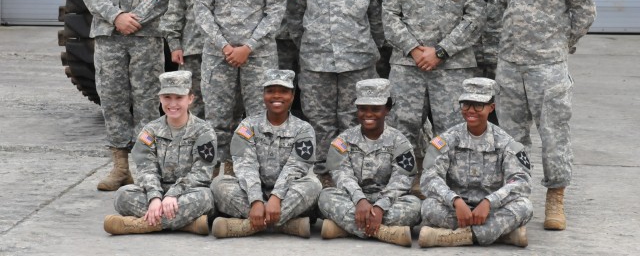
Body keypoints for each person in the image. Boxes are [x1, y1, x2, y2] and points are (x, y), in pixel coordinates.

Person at [494, 0, 596, 230]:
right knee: (511, 137)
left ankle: (555, 198)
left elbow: (584, 10)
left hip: (547, 67)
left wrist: (561, 44)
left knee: (553, 136)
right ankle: (518, 197)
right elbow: (500, 2)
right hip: (509, 65)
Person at [78, 0, 176, 191]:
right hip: (109, 33)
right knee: (113, 98)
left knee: (147, 101)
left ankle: (147, 170)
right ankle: (120, 168)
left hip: (145, 35)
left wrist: (138, 17)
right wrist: (115, 15)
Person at [382, 0, 488, 165]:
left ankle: (448, 188)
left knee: (452, 131)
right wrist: (416, 50)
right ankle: (403, 189)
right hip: (408, 65)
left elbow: (476, 17)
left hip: (452, 67)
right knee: (401, 131)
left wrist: (441, 51)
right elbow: (389, 15)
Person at [287, 0, 386, 185]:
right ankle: (323, 174)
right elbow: (294, 15)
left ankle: (355, 172)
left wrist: (369, 46)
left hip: (358, 62)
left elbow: (377, 18)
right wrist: (308, 43)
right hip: (316, 62)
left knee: (354, 118)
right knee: (319, 119)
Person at [192, 0, 287, 167]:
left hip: (258, 57)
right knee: (217, 118)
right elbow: (201, 10)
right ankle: (217, 174)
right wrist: (224, 46)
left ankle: (256, 172)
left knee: (260, 117)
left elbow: (276, 11)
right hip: (218, 56)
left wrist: (249, 46)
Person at [418, 77, 532, 248]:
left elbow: (521, 181)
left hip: (491, 209)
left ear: (491, 107)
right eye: (466, 104)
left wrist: (489, 202)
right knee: (428, 207)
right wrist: (455, 200)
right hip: (456, 209)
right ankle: (502, 234)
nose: (471, 110)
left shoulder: (506, 142)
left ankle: (455, 237)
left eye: (478, 105)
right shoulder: (447, 139)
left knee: (525, 207)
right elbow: (429, 178)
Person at [103, 71, 217, 235]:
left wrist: (173, 194)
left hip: (187, 192)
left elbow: (202, 173)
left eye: (179, 97)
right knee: (122, 196)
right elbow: (146, 169)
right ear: (160, 98)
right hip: (156, 191)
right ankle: (187, 225)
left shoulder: (203, 131)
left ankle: (140, 224)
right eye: (167, 97)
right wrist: (155, 197)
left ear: (190, 99)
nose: (172, 103)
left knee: (205, 198)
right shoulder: (151, 130)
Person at [210, 69, 321, 238]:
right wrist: (256, 201)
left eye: (283, 91)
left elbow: (296, 167)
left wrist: (276, 197)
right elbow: (245, 166)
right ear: (263, 95)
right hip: (251, 192)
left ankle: (247, 225)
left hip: (287, 193)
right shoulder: (248, 126)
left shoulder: (304, 129)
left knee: (313, 185)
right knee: (219, 185)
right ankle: (287, 225)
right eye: (270, 91)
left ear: (292, 96)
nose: (277, 96)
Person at [318, 78, 420, 247]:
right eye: (363, 109)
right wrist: (360, 201)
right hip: (352, 199)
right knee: (325, 197)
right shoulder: (343, 140)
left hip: (387, 201)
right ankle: (385, 233)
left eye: (375, 109)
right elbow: (342, 175)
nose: (368, 114)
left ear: (387, 109)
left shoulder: (400, 142)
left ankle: (344, 228)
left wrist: (380, 206)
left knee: (415, 206)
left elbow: (401, 181)